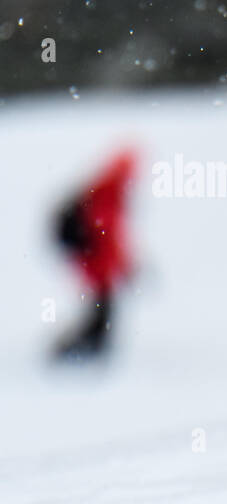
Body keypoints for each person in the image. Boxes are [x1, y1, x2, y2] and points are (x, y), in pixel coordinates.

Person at [53, 148, 136, 360]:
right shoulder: (108, 196)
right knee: (101, 311)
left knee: (99, 310)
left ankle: (85, 348)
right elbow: (107, 237)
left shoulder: (100, 191)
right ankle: (80, 349)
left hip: (94, 262)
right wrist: (122, 265)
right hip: (97, 264)